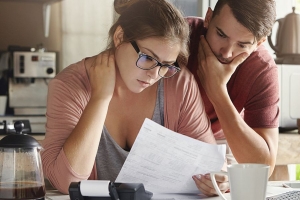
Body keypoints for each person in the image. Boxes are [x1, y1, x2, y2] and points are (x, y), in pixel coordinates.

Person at [41, 0, 216, 194]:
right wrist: (100, 98)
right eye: (148, 57)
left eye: (166, 65)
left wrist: (216, 181)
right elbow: (67, 182)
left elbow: (207, 167)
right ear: (119, 36)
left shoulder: (179, 83)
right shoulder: (70, 85)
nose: (154, 75)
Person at [188, 0, 280, 196]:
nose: (226, 53)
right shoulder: (179, 36)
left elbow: (263, 166)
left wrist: (217, 91)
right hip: (164, 132)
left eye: (242, 45)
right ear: (208, 17)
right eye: (221, 35)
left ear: (260, 42)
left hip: (222, 141)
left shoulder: (262, 69)